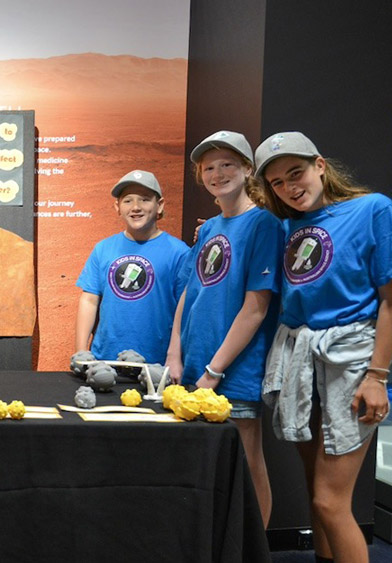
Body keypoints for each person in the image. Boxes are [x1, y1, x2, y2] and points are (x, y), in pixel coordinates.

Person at [257, 131, 392, 563]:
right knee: (318, 501)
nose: (290, 187)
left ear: (320, 164)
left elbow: (390, 300)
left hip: (351, 360)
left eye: (295, 173)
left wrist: (377, 377)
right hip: (300, 359)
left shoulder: (372, 209)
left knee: (331, 503)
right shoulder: (284, 226)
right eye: (277, 182)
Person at [166, 130, 283, 527]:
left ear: (248, 168)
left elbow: (256, 306)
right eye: (209, 167)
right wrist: (174, 352)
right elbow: (189, 292)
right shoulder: (210, 228)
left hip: (233, 371)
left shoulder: (263, 225)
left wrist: (215, 372)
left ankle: (256, 550)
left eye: (228, 164)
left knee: (248, 463)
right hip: (196, 367)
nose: (218, 173)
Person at [74, 170, 189, 366]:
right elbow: (90, 300)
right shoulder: (103, 248)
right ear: (117, 207)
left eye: (144, 200)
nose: (136, 207)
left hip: (156, 363)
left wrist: (175, 357)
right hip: (104, 361)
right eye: (128, 201)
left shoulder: (179, 252)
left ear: (159, 205)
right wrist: (81, 352)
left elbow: (185, 310)